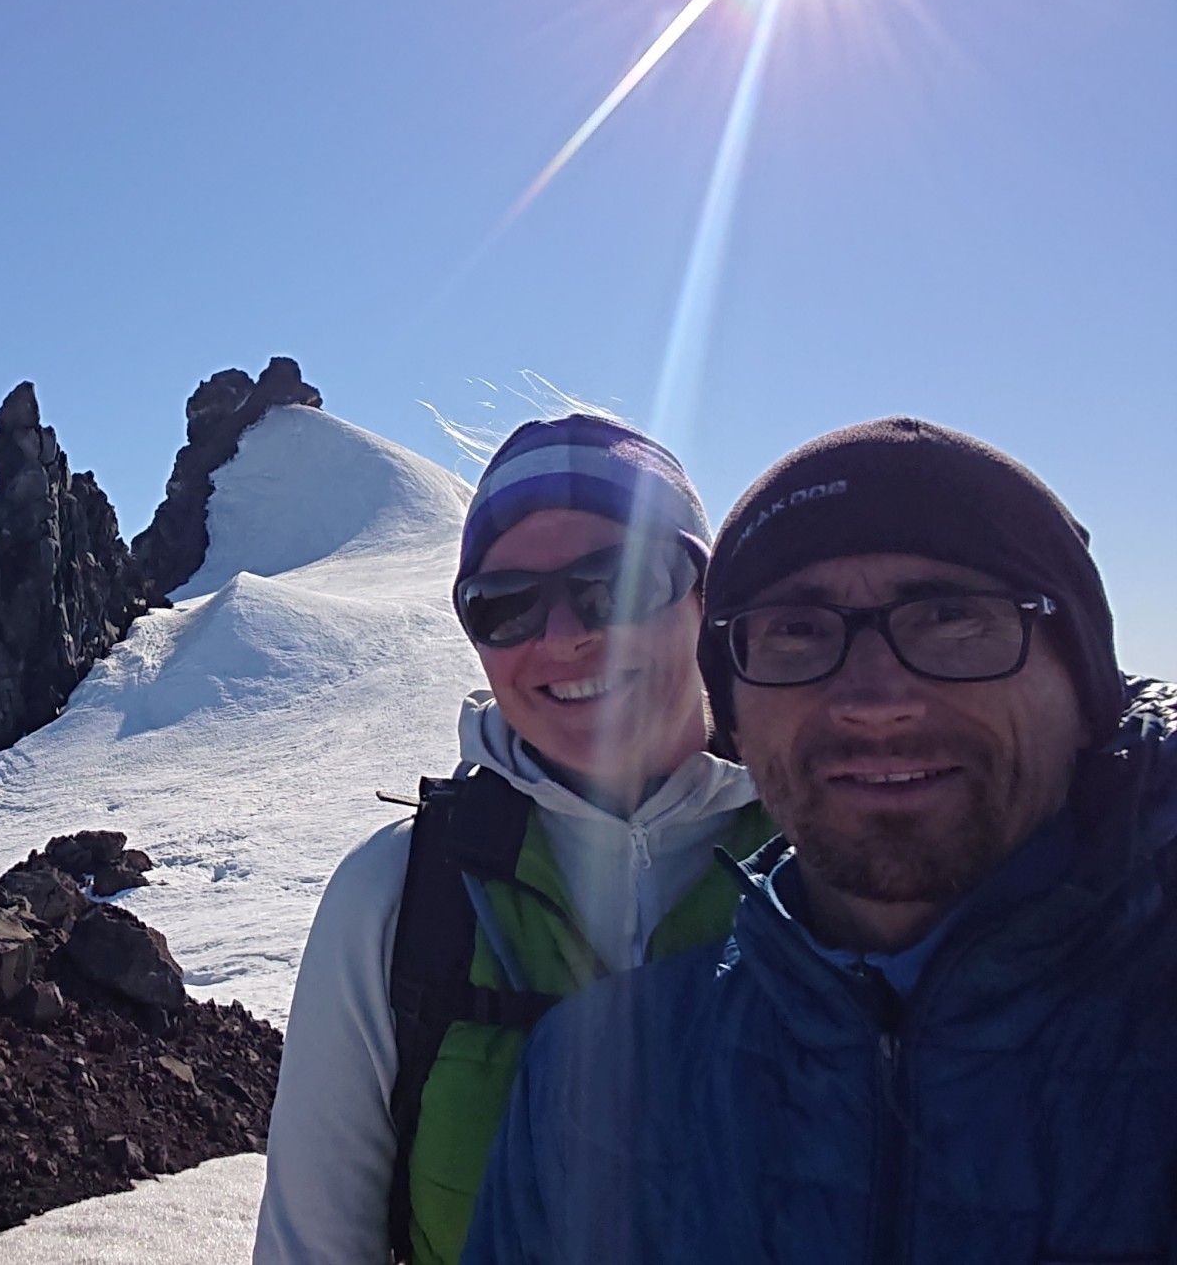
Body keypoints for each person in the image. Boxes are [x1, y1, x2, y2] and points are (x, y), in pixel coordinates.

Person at [461, 416, 1177, 1265]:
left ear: (1086, 684)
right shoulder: (596, 1079)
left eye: (951, 617)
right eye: (798, 631)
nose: (875, 700)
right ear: (735, 709)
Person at [253, 414, 773, 1265]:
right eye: (505, 604)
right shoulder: (398, 893)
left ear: (704, 596)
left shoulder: (837, 857)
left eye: (618, 581)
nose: (563, 637)